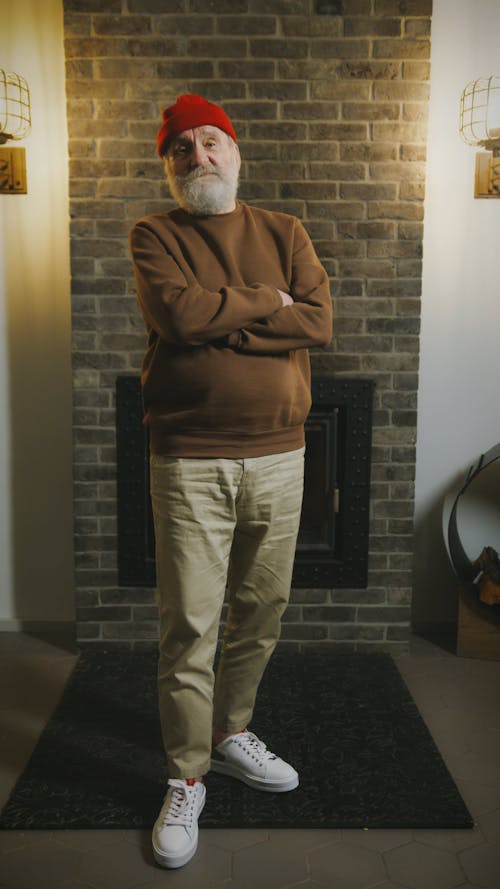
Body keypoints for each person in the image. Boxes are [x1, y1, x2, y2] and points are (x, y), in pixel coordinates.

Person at [129, 93, 333, 870]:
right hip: (187, 458)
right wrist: (265, 304)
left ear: (236, 153)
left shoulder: (284, 231)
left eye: (211, 143)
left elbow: (317, 320)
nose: (198, 158)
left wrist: (228, 317)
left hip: (281, 454)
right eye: (181, 149)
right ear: (169, 165)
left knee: (260, 608)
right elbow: (178, 316)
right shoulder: (155, 233)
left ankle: (228, 730)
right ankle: (186, 776)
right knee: (190, 625)